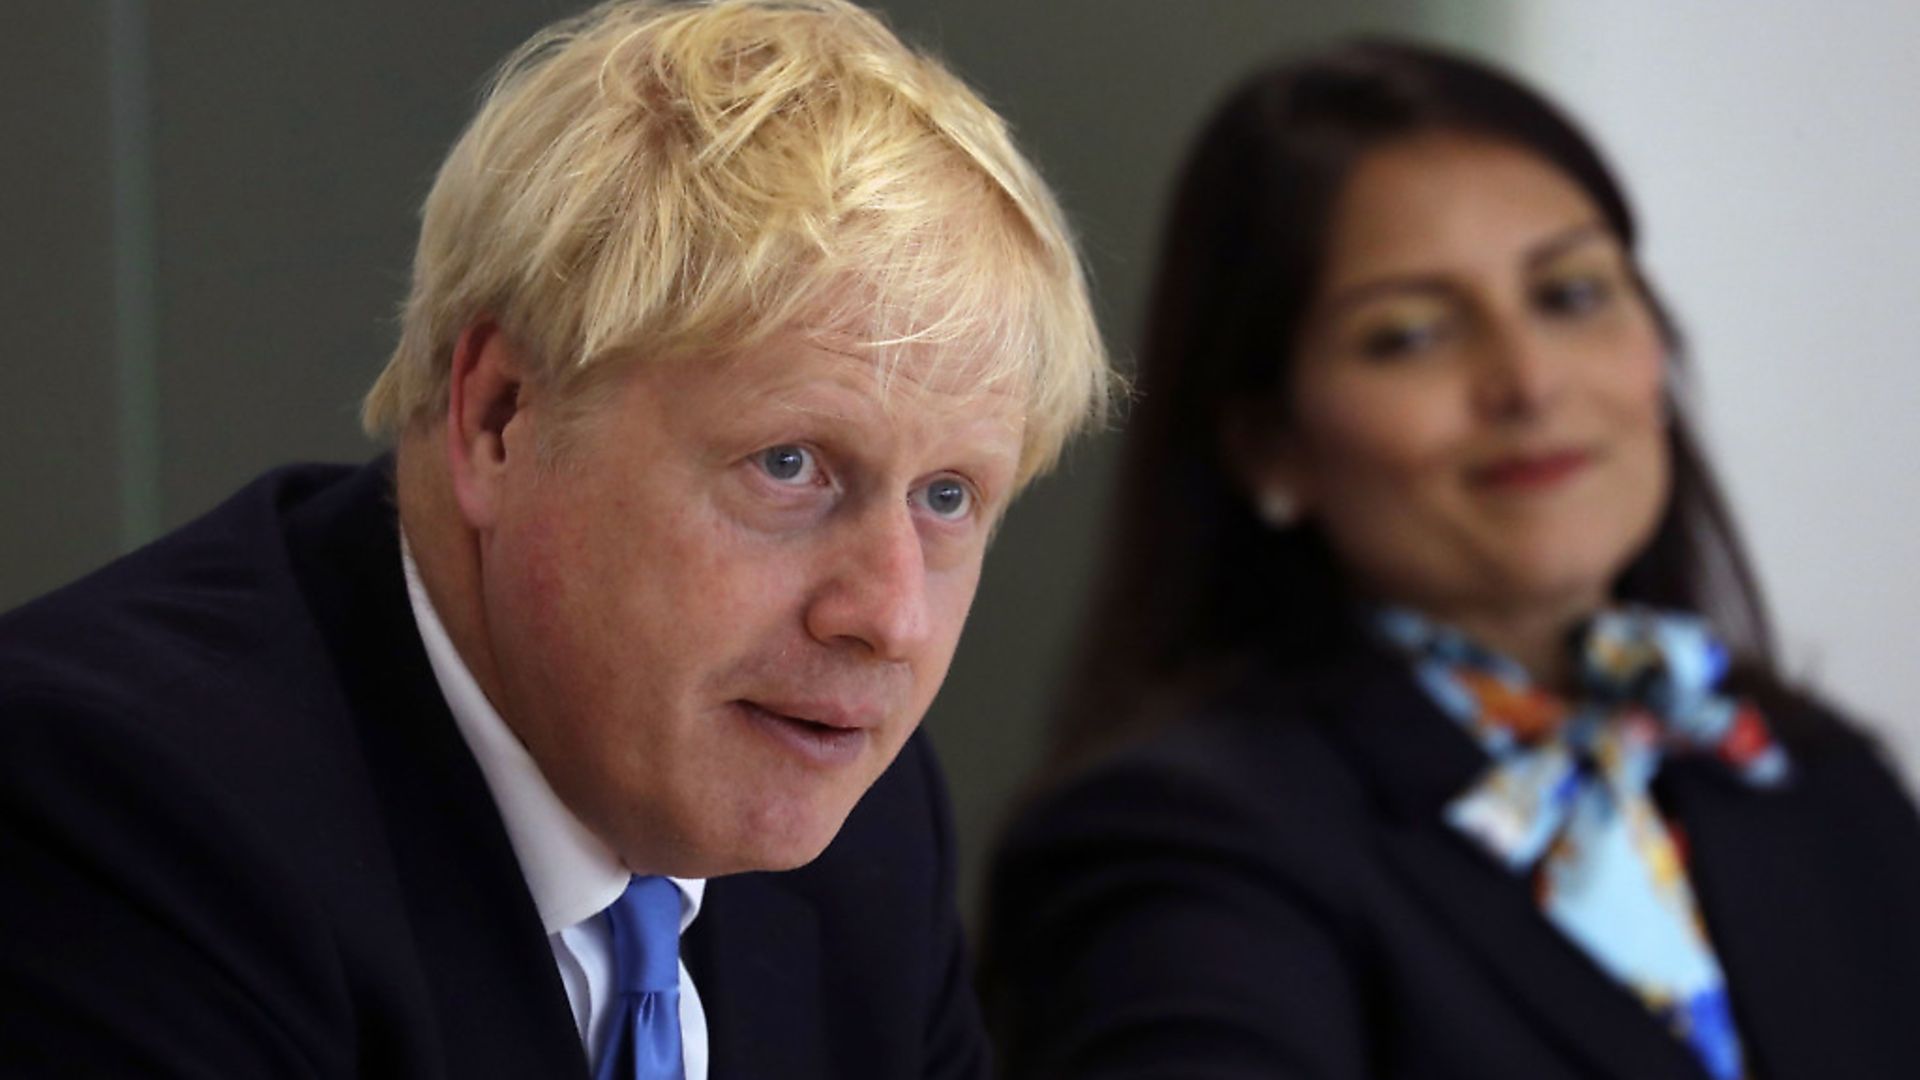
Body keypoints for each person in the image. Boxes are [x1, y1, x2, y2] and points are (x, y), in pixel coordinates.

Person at [0, 1, 1110, 1076]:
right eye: (789, 466)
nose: (889, 617)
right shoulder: (117, 814)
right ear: (499, 417)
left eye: (950, 497)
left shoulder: (852, 818)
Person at [981, 39, 1920, 1080]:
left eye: (1570, 295)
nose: (1528, 382)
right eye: (1411, 335)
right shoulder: (1177, 847)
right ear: (1269, 445)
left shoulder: (1809, 778)